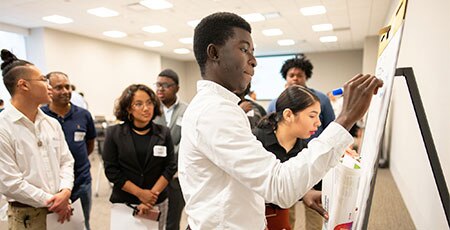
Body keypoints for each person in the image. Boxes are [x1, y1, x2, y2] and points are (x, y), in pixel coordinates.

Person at [178, 12, 383, 230]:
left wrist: (301, 192)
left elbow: (243, 176)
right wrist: (346, 119)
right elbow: (280, 186)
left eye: (253, 52)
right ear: (214, 53)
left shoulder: (220, 106)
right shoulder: (214, 111)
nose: (254, 61)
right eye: (244, 49)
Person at [0, 49, 74, 228]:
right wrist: (53, 201)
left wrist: (65, 191)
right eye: (43, 80)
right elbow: (10, 183)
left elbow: (66, 161)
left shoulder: (51, 123)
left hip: (61, 209)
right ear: (23, 85)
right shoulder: (4, 126)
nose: (49, 86)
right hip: (27, 215)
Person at [267, 57, 336, 229]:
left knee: (314, 207)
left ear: (306, 77)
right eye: (291, 75)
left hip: (315, 160)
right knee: (286, 209)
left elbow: (331, 128)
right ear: (286, 77)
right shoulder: (276, 103)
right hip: (286, 161)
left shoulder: (320, 100)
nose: (295, 78)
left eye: (299, 75)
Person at [102, 84, 177, 230]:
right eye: (138, 104)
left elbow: (170, 167)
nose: (146, 108)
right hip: (125, 203)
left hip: (157, 201)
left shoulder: (163, 133)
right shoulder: (114, 133)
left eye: (149, 103)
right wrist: (141, 194)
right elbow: (111, 171)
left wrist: (150, 198)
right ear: (128, 108)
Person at [253, 85, 323, 230]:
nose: (318, 122)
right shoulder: (255, 140)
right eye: (312, 116)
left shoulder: (304, 149)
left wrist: (305, 193)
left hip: (279, 214)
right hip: (250, 214)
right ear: (288, 115)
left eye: (318, 116)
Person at [41, 71, 97, 230]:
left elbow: (89, 144)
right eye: (59, 87)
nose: (65, 91)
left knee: (82, 223)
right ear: (49, 89)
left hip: (81, 181)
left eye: (68, 86)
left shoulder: (83, 115)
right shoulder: (41, 116)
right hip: (51, 185)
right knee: (55, 225)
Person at [153, 69, 188, 230]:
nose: (160, 89)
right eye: (158, 85)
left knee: (173, 221)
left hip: (177, 177)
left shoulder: (187, 110)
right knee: (153, 219)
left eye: (166, 85)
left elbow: (188, 140)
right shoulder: (151, 110)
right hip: (154, 176)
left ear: (177, 88)